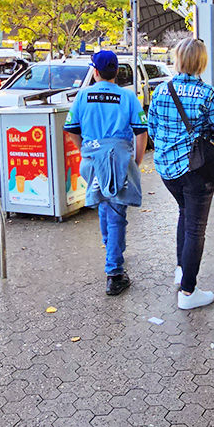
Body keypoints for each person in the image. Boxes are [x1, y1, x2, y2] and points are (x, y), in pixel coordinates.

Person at [148, 37, 214, 310]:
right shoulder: (208, 94)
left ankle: (181, 269)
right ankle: (188, 292)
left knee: (185, 213)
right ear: (201, 62)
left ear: (178, 59)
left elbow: (152, 130)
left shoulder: (161, 91)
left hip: (166, 169)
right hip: (197, 169)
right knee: (196, 228)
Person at [63, 50, 148, 296]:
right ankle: (114, 272)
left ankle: (111, 246)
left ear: (96, 71)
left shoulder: (82, 96)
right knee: (116, 212)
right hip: (119, 161)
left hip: (92, 160)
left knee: (104, 204)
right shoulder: (128, 97)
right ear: (117, 73)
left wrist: (86, 153)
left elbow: (71, 129)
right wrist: (137, 160)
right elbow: (141, 131)